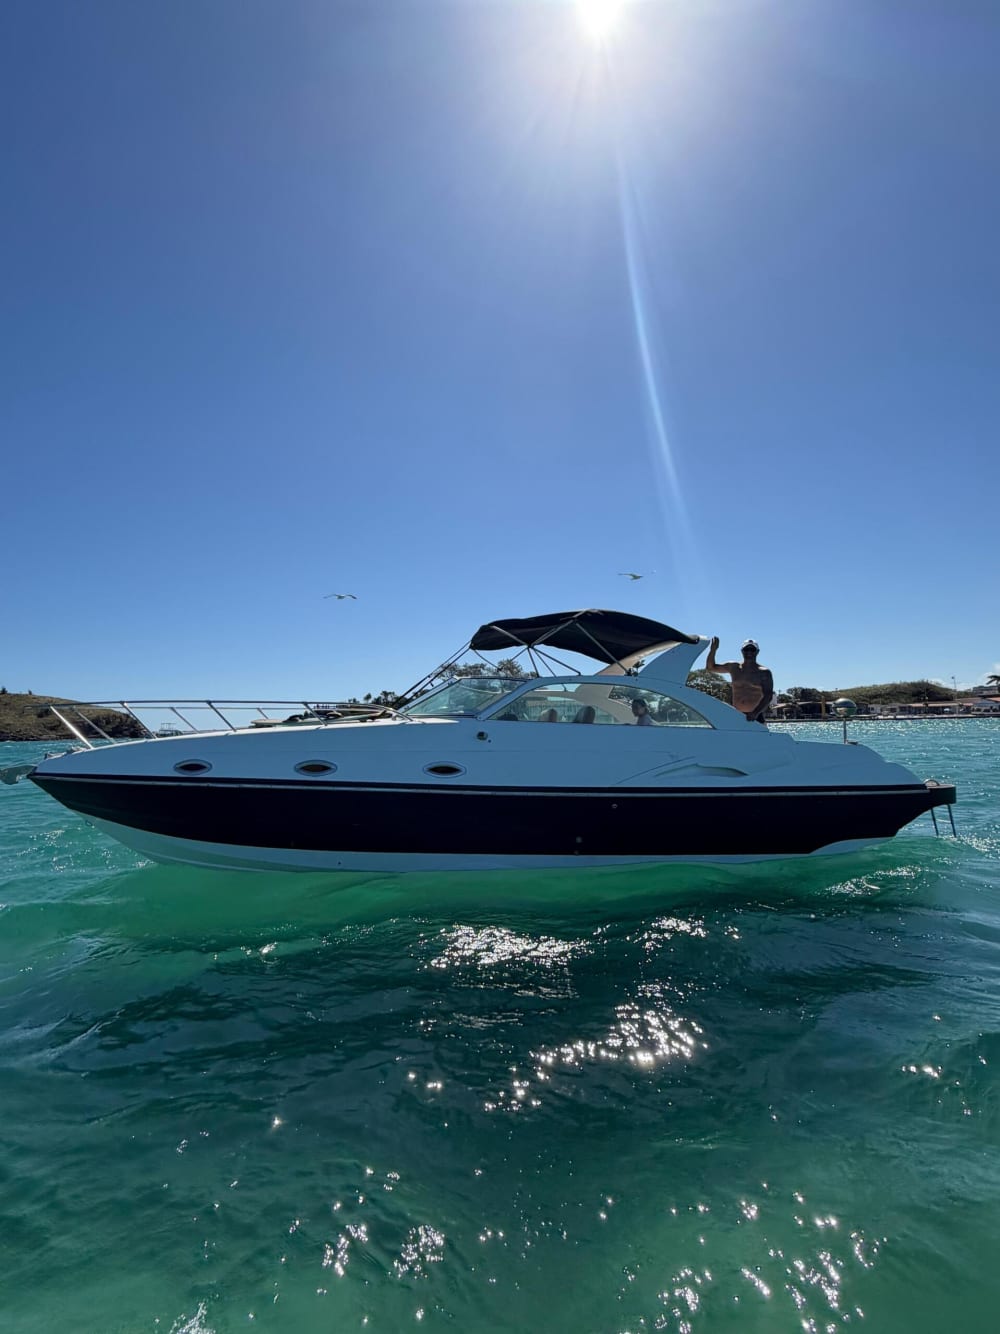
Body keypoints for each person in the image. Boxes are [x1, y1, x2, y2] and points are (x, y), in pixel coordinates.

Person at [706, 637, 774, 724]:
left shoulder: (764, 672)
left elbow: (768, 695)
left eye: (752, 649)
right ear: (742, 651)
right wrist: (713, 650)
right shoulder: (733, 667)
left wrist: (755, 713)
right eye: (746, 649)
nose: (749, 652)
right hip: (736, 715)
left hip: (755, 717)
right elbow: (710, 668)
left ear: (757, 652)